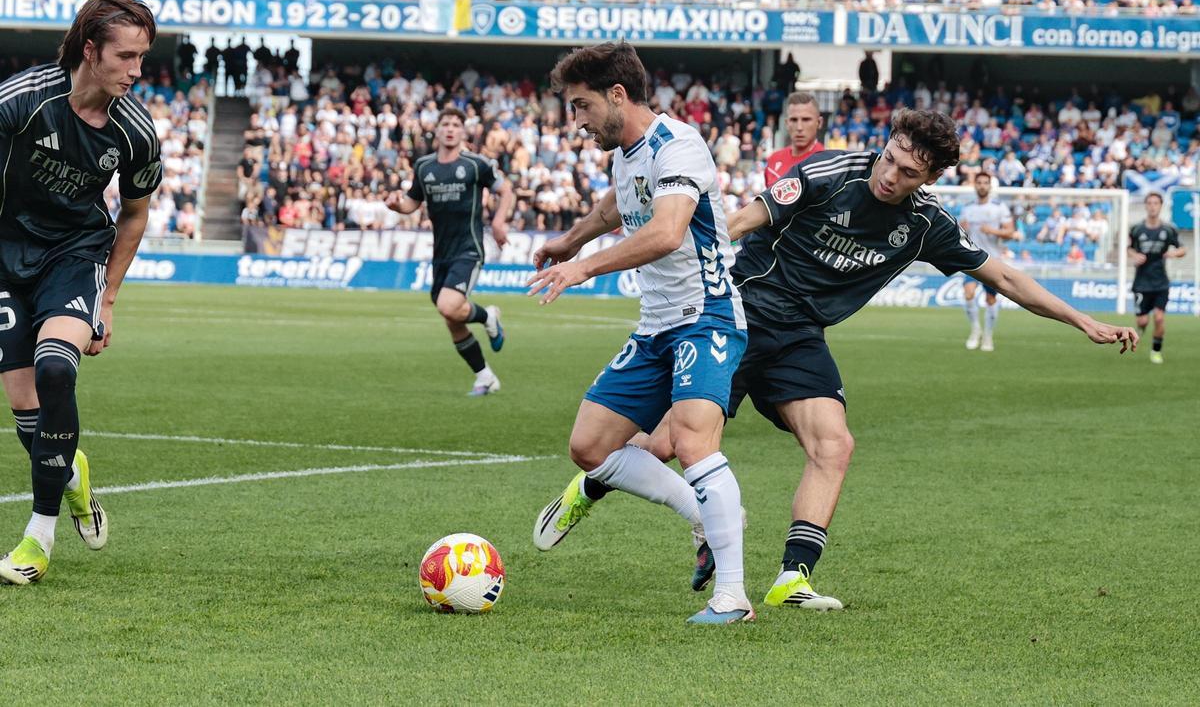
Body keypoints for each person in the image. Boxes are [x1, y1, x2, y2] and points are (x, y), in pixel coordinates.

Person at [535, 109, 1138, 612]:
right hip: (745, 311)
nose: (890, 176)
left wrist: (1083, 321)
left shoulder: (925, 224)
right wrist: (702, 273)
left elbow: (1002, 273)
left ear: (926, 178)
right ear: (885, 146)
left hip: (800, 338)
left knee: (835, 445)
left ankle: (792, 579)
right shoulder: (832, 171)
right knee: (663, 444)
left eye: (908, 173)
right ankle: (588, 486)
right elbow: (747, 217)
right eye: (890, 159)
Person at [526, 42, 752, 624]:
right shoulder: (625, 153)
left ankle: (733, 596)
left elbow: (668, 230)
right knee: (590, 448)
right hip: (657, 326)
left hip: (707, 315)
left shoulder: (679, 144)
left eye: (581, 106)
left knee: (696, 443)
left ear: (617, 96)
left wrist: (584, 267)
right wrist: (572, 239)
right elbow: (616, 207)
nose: (576, 121)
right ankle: (701, 517)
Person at [0, 0, 162, 585]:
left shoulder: (135, 131)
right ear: (90, 51)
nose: (137, 70)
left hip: (75, 255)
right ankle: (73, 476)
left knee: (56, 371)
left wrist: (108, 300)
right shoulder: (21, 102)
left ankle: (37, 538)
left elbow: (135, 214)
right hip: (6, 255)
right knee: (25, 408)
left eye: (143, 57)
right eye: (126, 56)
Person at [386, 107, 513, 396]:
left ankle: (487, 317)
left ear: (462, 131)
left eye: (456, 124)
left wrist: (498, 221)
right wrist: (396, 204)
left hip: (468, 248)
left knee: (448, 305)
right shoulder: (424, 166)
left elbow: (506, 191)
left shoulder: (475, 164)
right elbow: (411, 202)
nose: (451, 129)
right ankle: (485, 377)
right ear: (438, 129)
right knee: (451, 318)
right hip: (441, 252)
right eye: (446, 124)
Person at [958, 172, 1014, 351]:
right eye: (979, 183)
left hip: (992, 260)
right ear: (975, 185)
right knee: (968, 294)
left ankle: (988, 336)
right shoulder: (967, 208)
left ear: (990, 186)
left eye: (985, 183)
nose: (982, 186)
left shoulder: (999, 207)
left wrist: (992, 231)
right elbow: (959, 233)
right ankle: (975, 329)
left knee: (990, 299)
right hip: (971, 258)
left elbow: (1010, 232)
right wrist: (962, 229)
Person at [1128, 192, 1186, 364]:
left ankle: (1156, 351)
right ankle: (1141, 328)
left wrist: (1174, 253)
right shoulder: (1137, 229)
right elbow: (1129, 248)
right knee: (1143, 320)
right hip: (1141, 283)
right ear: (1146, 206)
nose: (1153, 206)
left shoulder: (1168, 229)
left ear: (1161, 206)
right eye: (1150, 203)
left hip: (1161, 282)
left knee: (1159, 318)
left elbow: (1183, 249)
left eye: (1156, 203)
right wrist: (1134, 255)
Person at [764, 91, 825, 187]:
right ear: (787, 123)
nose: (799, 127)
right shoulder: (773, 160)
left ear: (819, 122)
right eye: (794, 120)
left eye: (806, 119)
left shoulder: (827, 163)